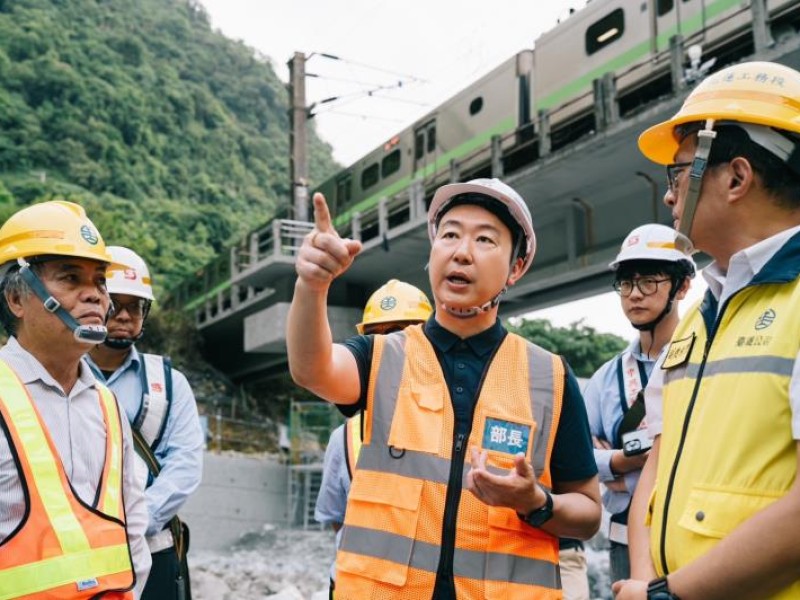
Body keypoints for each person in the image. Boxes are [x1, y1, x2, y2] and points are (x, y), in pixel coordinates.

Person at [288, 177, 601, 599]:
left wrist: (536, 502)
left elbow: (587, 511)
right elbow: (313, 369)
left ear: (517, 266)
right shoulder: (381, 357)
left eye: (485, 239)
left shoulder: (551, 377)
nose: (462, 252)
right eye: (450, 234)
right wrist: (312, 286)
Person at [614, 60, 800, 600]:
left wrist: (670, 595)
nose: (669, 197)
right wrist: (647, 581)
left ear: (736, 177)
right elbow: (658, 460)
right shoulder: (699, 315)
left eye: (677, 176)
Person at [0, 201, 150, 597]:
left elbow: (132, 527)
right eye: (71, 278)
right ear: (17, 299)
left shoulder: (107, 404)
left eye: (99, 281)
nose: (96, 297)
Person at [86, 246, 204, 600]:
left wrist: (133, 524)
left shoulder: (169, 382)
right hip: (77, 555)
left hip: (154, 551)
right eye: (115, 303)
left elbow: (185, 464)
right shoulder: (61, 373)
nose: (123, 315)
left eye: (135, 306)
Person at [583, 224, 694, 589]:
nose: (635, 294)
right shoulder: (606, 377)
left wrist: (616, 462)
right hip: (623, 539)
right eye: (627, 284)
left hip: (690, 531)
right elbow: (576, 454)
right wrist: (619, 461)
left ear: (682, 286)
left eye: (649, 281)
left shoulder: (702, 359)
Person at [315, 278, 434, 598]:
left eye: (401, 334)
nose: (388, 348)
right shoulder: (345, 437)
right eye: (377, 337)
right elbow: (337, 518)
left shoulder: (455, 425)